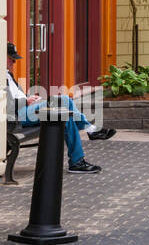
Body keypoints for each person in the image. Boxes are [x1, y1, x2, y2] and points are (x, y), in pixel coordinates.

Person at [6, 43, 112, 174]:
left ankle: (77, 162)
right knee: (64, 101)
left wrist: (29, 97)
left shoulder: (8, 75)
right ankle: (89, 130)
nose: (14, 62)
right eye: (11, 58)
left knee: (66, 116)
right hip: (17, 115)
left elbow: (17, 95)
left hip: (26, 109)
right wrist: (26, 101)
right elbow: (6, 104)